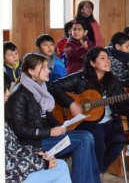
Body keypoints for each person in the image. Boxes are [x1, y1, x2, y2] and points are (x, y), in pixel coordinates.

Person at [6, 53, 101, 183]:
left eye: (47, 67)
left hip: (43, 137)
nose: (48, 70)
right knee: (83, 139)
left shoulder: (40, 88)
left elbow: (49, 118)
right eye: (43, 67)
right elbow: (20, 129)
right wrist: (50, 132)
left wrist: (63, 128)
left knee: (88, 136)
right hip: (30, 143)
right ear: (31, 71)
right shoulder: (19, 94)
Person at [49, 47, 129, 177]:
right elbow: (54, 86)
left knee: (120, 138)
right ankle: (94, 174)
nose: (107, 61)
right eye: (102, 58)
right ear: (92, 63)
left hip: (109, 121)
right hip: (84, 121)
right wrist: (71, 103)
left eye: (108, 58)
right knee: (97, 132)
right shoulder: (81, 77)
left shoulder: (113, 81)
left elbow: (121, 108)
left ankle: (98, 172)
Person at [4, 71, 71, 183]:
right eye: (4, 89)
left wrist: (37, 155)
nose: (7, 93)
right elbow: (7, 167)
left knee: (62, 165)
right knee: (61, 176)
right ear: (31, 70)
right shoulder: (20, 94)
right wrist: (41, 163)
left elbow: (15, 150)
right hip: (11, 178)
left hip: (19, 166)